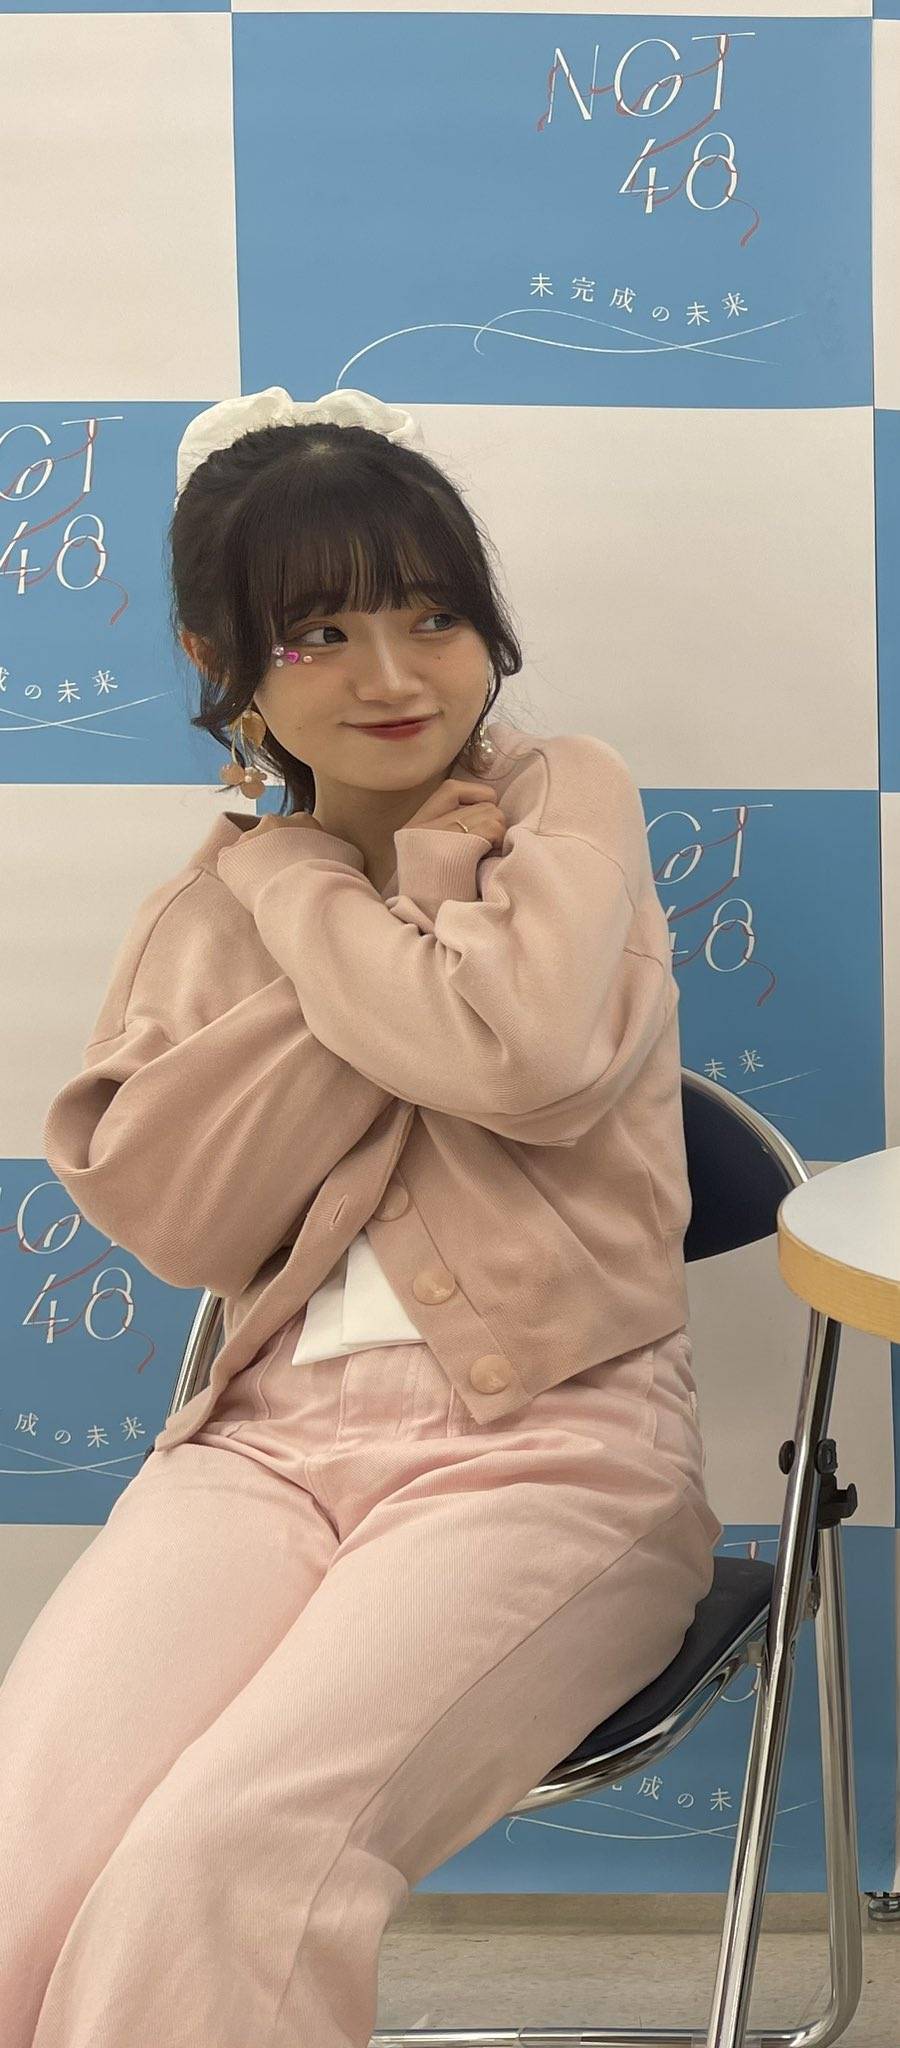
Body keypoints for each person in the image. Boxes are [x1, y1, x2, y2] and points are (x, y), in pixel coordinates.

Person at [0, 388, 723, 2048]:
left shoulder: (566, 802)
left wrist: (323, 893)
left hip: (553, 1456)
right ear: (223, 663)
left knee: (220, 1861)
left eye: (433, 615)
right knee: (24, 1857)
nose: (395, 675)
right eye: (317, 634)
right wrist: (354, 896)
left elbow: (520, 1056)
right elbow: (180, 1211)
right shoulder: (216, 901)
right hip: (257, 1455)